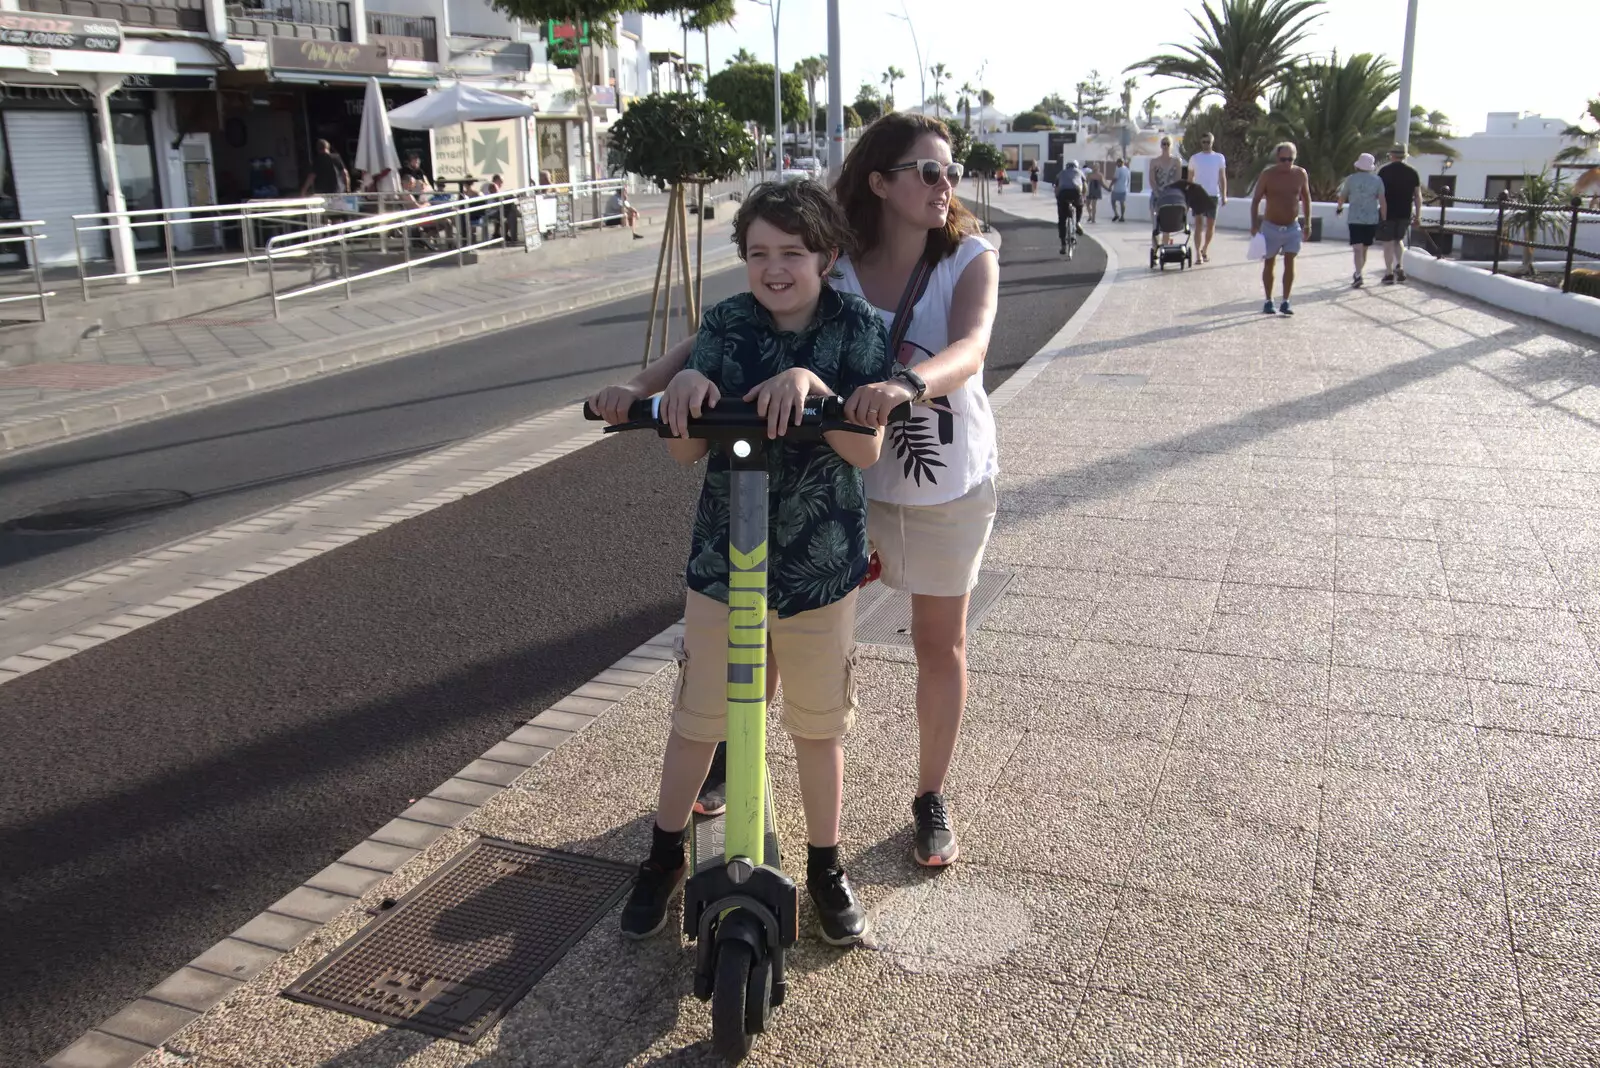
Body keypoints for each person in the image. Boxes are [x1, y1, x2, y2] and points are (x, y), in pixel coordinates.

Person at [592, 114, 1001, 870]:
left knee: (940, 643)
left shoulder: (967, 256)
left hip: (936, 472)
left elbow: (972, 347)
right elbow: (715, 333)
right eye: (928, 172)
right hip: (835, 478)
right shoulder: (834, 255)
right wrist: (646, 385)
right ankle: (731, 749)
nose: (946, 186)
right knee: (776, 615)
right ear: (881, 181)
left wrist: (902, 384)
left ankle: (929, 797)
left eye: (950, 172)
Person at [616, 180, 893, 946]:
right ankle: (664, 854)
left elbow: (865, 446)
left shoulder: (855, 325)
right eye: (759, 254)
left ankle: (826, 866)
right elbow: (683, 451)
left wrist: (812, 385)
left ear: (826, 257)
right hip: (722, 561)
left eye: (793, 254)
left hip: (818, 564)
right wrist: (684, 389)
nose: (775, 270)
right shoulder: (728, 323)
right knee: (699, 716)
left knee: (818, 723)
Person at [1250, 141, 1312, 315]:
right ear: (1277, 158)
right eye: (1283, 159)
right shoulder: (1267, 175)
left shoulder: (1300, 174)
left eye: (1290, 159)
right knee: (1269, 263)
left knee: (1290, 262)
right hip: (1271, 226)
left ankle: (1286, 300)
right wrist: (1254, 224)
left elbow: (1306, 199)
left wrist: (1307, 223)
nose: (1286, 163)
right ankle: (1269, 300)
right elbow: (1255, 200)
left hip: (1292, 226)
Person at [1335, 152, 1387, 288]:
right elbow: (1382, 201)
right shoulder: (1377, 180)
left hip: (1354, 218)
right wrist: (1384, 218)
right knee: (1364, 249)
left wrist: (1339, 208)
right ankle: (1359, 273)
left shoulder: (1351, 179)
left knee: (1357, 248)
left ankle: (1358, 273)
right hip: (1371, 219)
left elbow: (1342, 196)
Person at [1377, 144, 1423, 285]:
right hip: (1405, 212)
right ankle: (1400, 265)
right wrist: (1418, 215)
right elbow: (1417, 195)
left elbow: (1379, 193)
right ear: (1404, 156)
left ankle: (1389, 273)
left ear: (1391, 155)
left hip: (1388, 211)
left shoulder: (1384, 171)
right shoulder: (1412, 172)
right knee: (1399, 240)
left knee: (1388, 242)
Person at [1186, 132, 1227, 262]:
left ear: (1212, 142)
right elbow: (1190, 179)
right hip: (1198, 195)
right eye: (1204, 142)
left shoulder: (1219, 158)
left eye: (1208, 142)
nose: (1206, 144)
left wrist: (1225, 194)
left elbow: (1222, 177)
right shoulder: (1194, 158)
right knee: (1198, 225)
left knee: (1210, 226)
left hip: (1213, 195)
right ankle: (1198, 253)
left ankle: (1205, 249)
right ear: (1201, 142)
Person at [1054, 158, 1085, 255]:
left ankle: (1063, 245)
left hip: (1063, 194)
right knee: (1079, 205)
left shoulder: (1061, 173)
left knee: (1062, 220)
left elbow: (1056, 187)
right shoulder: (1080, 172)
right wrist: (1083, 197)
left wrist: (1057, 198)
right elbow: (1085, 186)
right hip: (1076, 193)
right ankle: (1078, 222)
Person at [1147, 136, 1182, 203]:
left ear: (1171, 145)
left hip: (1172, 192)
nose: (1166, 146)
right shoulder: (1154, 162)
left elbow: (1178, 179)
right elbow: (1151, 180)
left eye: (1168, 144)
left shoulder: (1177, 161)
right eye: (1164, 144)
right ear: (1161, 145)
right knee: (1153, 204)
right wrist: (1157, 193)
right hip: (1158, 192)